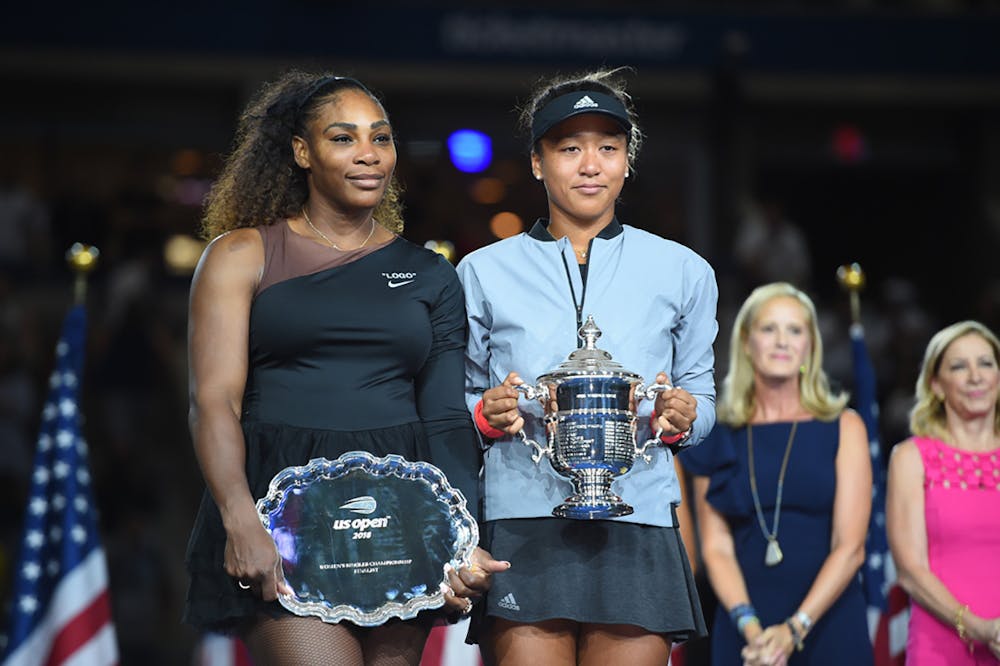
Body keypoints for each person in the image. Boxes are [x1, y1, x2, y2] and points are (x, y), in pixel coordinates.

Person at [183, 70, 507, 666]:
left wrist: (462, 536)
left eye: (380, 138)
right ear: (302, 152)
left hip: (402, 516)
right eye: (343, 138)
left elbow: (441, 417)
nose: (368, 155)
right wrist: (239, 515)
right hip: (281, 512)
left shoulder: (431, 272)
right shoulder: (242, 254)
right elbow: (213, 402)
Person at [456, 68, 717, 666]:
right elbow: (456, 401)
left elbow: (702, 398)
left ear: (628, 161)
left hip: (639, 512)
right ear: (537, 163)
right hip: (521, 514)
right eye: (569, 148)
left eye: (608, 148)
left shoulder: (684, 270)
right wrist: (485, 413)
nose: (590, 164)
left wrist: (685, 416)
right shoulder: (482, 271)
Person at [682, 282, 873, 666]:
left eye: (795, 330)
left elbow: (850, 547)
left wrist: (794, 629)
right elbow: (715, 548)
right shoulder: (716, 433)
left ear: (810, 347)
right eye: (769, 329)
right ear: (747, 344)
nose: (782, 340)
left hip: (829, 622)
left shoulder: (844, 426)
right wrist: (752, 629)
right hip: (745, 630)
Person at [886, 320, 1000, 664]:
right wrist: (981, 628)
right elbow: (910, 570)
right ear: (936, 384)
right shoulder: (911, 458)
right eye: (959, 366)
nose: (975, 377)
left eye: (985, 363)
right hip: (942, 646)